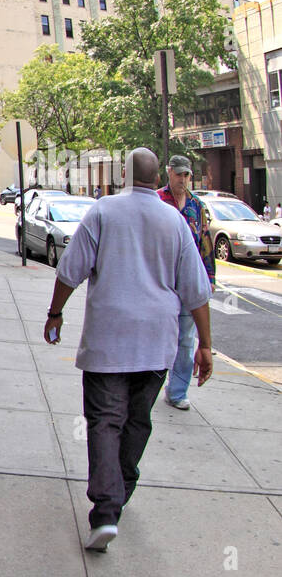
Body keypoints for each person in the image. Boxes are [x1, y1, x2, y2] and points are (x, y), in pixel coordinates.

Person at [45, 148, 213, 552]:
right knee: (137, 420)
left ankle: (105, 509)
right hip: (157, 344)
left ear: (124, 173)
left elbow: (71, 270)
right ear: (158, 177)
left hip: (108, 341)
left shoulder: (103, 211)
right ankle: (120, 490)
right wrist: (205, 345)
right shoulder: (174, 220)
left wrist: (55, 313)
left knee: (105, 422)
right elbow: (196, 289)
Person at [157, 155, 215, 411]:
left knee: (185, 340)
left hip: (187, 283)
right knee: (159, 336)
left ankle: (177, 391)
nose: (182, 179)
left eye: (186, 175)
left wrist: (209, 278)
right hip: (161, 281)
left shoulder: (196, 206)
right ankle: (149, 387)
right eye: (178, 174)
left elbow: (205, 244)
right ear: (169, 172)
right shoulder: (158, 201)